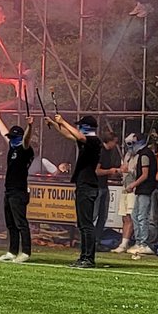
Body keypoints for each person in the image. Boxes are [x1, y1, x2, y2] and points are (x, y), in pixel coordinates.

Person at [46, 113, 101, 268]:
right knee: (82, 224)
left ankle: (88, 258)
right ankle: (83, 257)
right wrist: (55, 124)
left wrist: (63, 121)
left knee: (86, 224)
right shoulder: (84, 141)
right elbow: (68, 134)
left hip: (88, 186)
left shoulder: (94, 141)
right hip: (82, 185)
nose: (79, 128)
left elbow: (79, 136)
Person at [0, 109, 34, 263]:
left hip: (19, 191)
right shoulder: (12, 147)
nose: (11, 140)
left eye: (14, 138)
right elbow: (4, 133)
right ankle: (12, 251)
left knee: (21, 222)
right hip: (9, 190)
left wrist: (30, 126)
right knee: (11, 223)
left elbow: (27, 139)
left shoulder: (25, 149)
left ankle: (26, 252)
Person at [126, 134, 157, 256]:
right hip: (141, 189)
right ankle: (139, 242)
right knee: (135, 215)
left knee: (142, 216)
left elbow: (145, 174)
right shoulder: (143, 154)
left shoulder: (145, 155)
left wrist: (133, 185)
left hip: (146, 189)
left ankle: (143, 243)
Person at [111, 133, 139, 253]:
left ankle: (126, 243)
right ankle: (124, 242)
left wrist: (129, 171)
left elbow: (140, 173)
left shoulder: (139, 156)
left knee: (130, 217)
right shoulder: (127, 155)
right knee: (124, 217)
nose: (129, 146)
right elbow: (123, 168)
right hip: (125, 188)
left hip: (133, 189)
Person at [94, 129, 122, 248]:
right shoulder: (100, 152)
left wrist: (115, 172)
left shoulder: (108, 152)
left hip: (104, 186)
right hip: (97, 187)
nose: (115, 145)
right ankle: (88, 240)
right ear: (109, 141)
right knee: (94, 215)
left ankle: (96, 240)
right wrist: (110, 171)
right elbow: (96, 171)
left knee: (103, 215)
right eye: (114, 142)